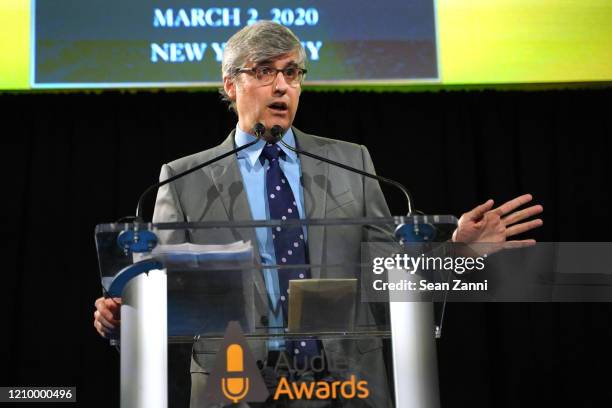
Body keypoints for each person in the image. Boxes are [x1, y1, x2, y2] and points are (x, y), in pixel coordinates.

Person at [94, 21, 543, 406]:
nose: (282, 86)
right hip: (234, 380)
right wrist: (128, 312)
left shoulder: (350, 164)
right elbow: (168, 287)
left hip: (344, 378)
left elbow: (389, 276)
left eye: (292, 72)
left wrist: (457, 250)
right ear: (231, 86)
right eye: (265, 72)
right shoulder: (182, 178)